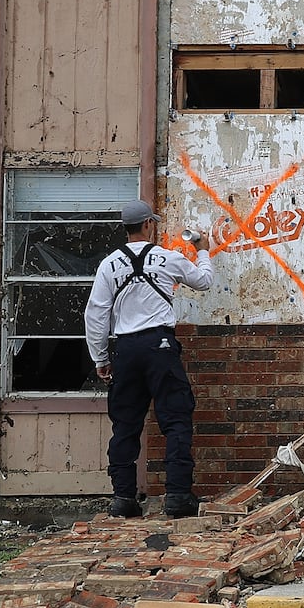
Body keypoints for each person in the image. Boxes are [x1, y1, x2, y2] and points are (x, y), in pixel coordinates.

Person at [84, 200, 214, 519]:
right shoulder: (168, 258)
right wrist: (203, 250)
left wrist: (100, 357)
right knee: (176, 419)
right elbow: (204, 282)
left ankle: (124, 498)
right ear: (148, 225)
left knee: (126, 424)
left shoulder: (108, 265)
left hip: (125, 349)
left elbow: (96, 314)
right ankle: (178, 496)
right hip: (161, 346)